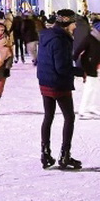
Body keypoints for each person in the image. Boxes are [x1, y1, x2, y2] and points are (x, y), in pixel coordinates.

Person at [36, 9, 83, 169]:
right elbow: (62, 67)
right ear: (67, 24)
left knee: (48, 116)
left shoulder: (46, 35)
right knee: (69, 117)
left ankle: (45, 153)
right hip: (58, 83)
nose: (75, 26)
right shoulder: (61, 40)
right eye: (74, 23)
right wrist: (80, 71)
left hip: (45, 81)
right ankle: (65, 155)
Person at [75, 20, 100, 119]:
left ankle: (91, 106)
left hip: (96, 65)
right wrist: (73, 63)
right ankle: (83, 109)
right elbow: (78, 50)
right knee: (89, 88)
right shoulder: (89, 38)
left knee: (95, 88)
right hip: (88, 66)